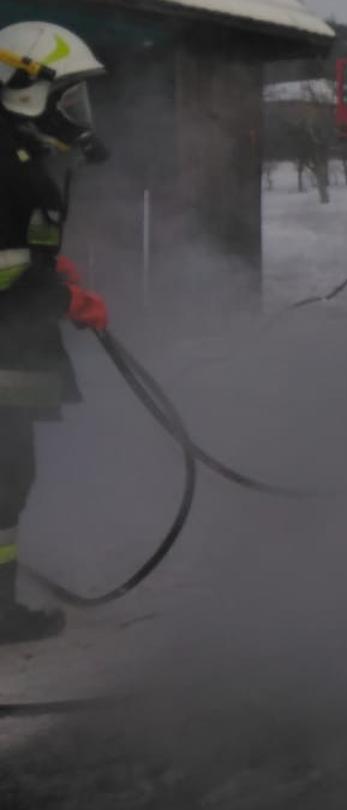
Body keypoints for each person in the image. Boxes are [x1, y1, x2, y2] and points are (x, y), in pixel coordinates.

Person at [0, 21, 111, 645]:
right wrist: (65, 297)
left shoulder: (16, 162)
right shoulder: (11, 171)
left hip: (10, 350)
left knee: (8, 479)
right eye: (68, 101)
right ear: (26, 92)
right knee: (4, 481)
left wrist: (45, 269)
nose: (77, 118)